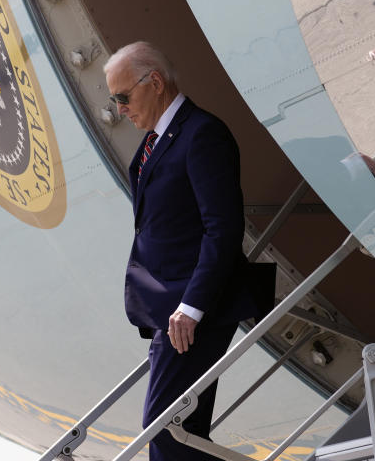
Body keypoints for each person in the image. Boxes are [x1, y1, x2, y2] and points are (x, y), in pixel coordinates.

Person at [104, 42, 272, 461]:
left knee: (162, 431)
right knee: (182, 431)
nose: (120, 109)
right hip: (172, 312)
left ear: (154, 82)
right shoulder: (151, 146)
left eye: (123, 97)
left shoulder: (201, 134)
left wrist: (192, 307)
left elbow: (223, 228)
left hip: (196, 310)